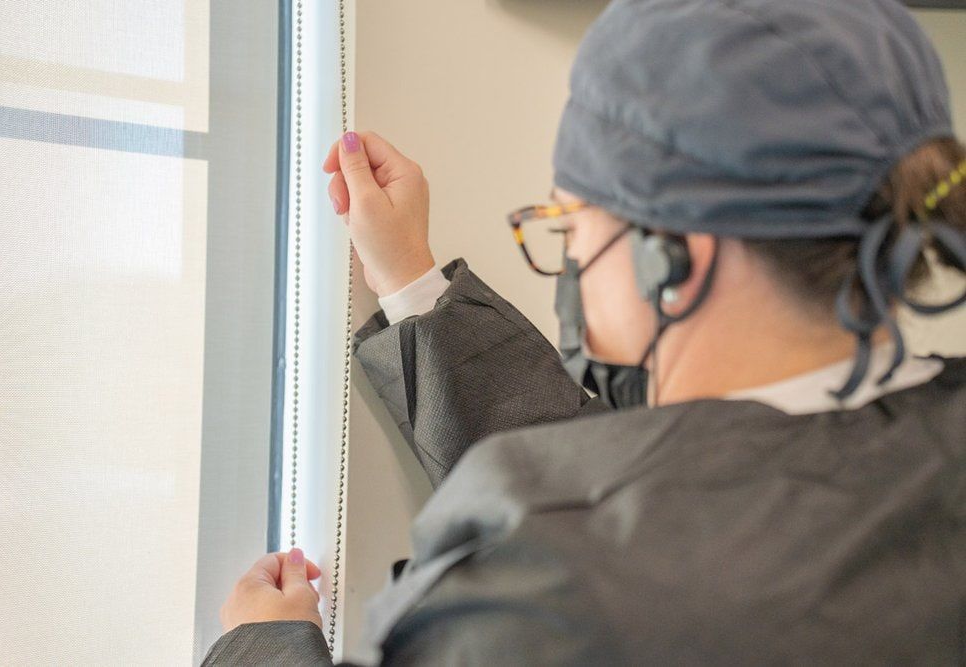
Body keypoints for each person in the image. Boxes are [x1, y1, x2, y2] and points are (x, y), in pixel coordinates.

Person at [204, 0, 966, 663]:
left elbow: (606, 538)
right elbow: (664, 491)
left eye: (568, 223)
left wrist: (263, 647)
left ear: (670, 259)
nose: (568, 259)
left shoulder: (535, 604)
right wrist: (409, 278)